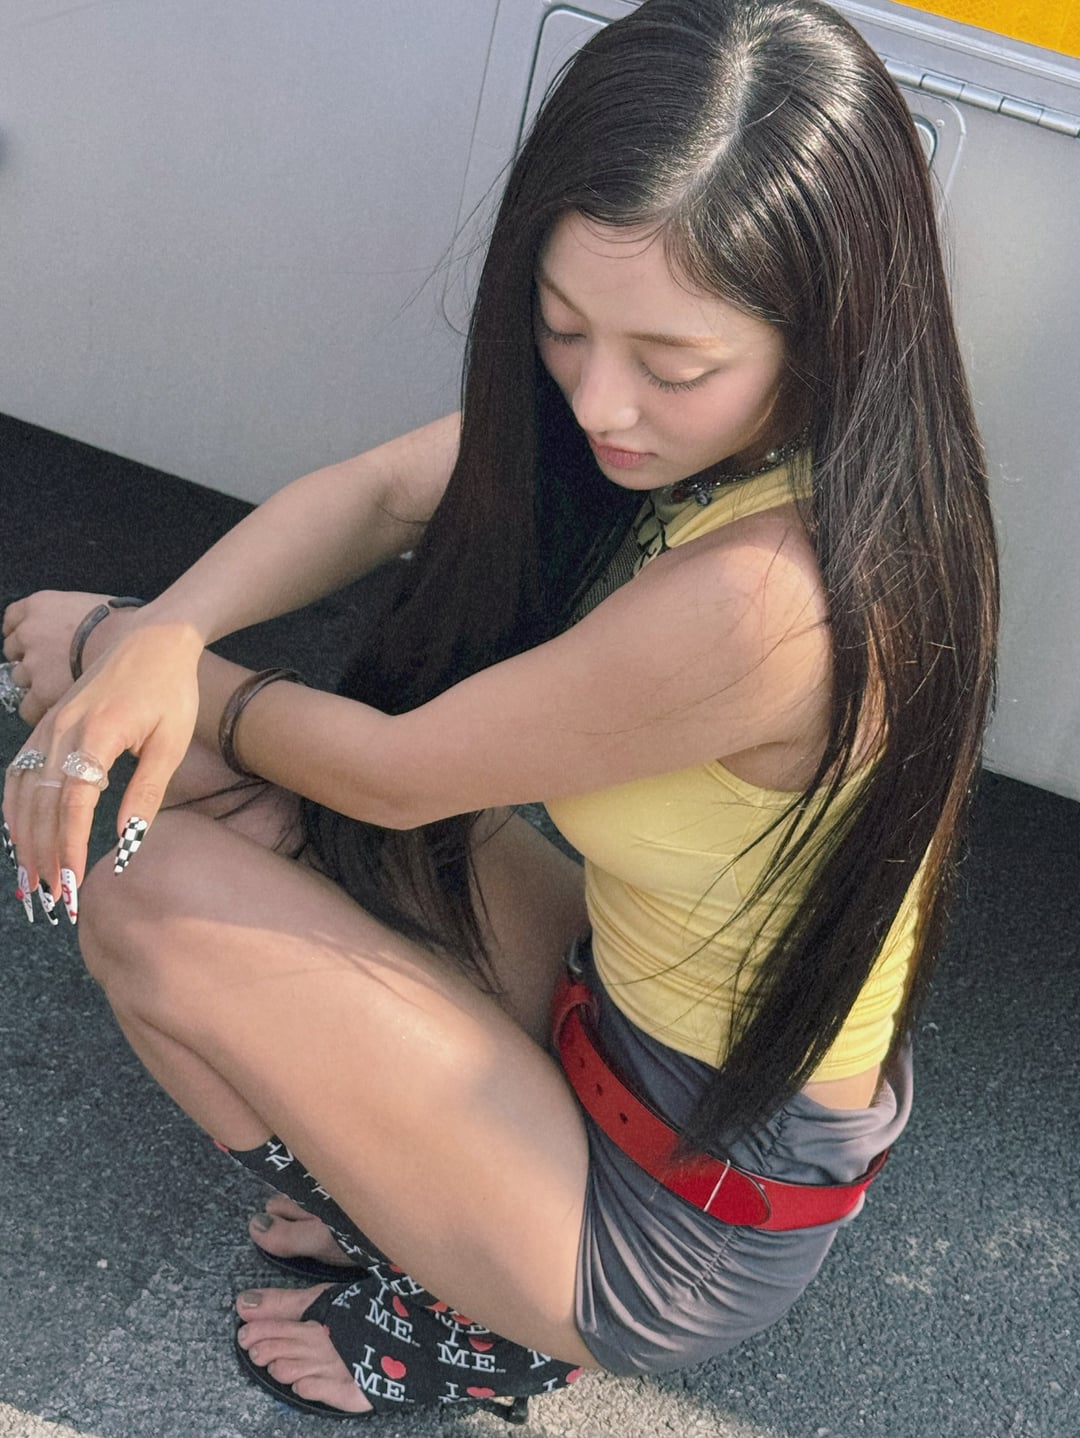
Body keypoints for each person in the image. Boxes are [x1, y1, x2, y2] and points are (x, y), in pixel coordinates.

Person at [1, 0, 998, 1422]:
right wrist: (164, 635)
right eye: (562, 326)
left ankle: (475, 1303)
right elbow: (382, 495)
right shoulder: (767, 444)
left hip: (678, 1205)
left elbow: (397, 774)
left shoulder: (775, 597)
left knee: (138, 887)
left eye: (673, 365)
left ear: (829, 328)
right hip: (618, 1008)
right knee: (183, 776)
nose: (601, 402)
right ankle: (419, 1200)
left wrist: (120, 647)